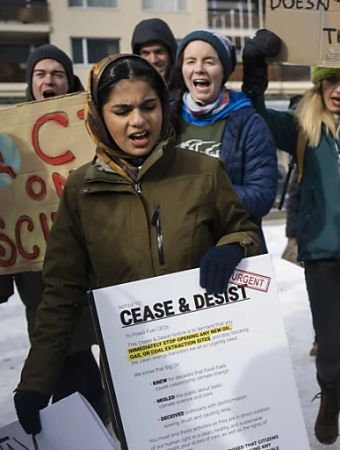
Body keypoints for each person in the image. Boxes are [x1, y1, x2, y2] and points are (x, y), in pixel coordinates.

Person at [13, 54, 261, 436]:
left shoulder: (203, 173)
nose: (138, 121)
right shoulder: (81, 190)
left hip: (212, 361)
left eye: (149, 106)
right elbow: (61, 293)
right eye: (122, 109)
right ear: (98, 115)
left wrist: (234, 247)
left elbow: (245, 232)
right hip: (137, 375)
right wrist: (35, 382)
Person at [240, 29, 340, 450]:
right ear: (318, 83)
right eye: (330, 80)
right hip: (321, 254)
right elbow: (252, 113)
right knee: (332, 345)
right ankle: (330, 399)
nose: (337, 88)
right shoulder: (300, 126)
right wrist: (254, 69)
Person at [0, 43, 106, 423]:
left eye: (57, 73)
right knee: (65, 364)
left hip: (98, 271)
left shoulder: (95, 126)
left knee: (117, 364)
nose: (49, 80)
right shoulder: (8, 141)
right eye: (40, 73)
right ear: (31, 83)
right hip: (41, 282)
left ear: (68, 81)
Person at [172, 29, 277, 250]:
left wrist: (201, 194)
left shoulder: (249, 123)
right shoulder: (165, 120)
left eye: (209, 61)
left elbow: (262, 195)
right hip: (178, 255)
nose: (199, 69)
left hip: (234, 250)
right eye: (191, 61)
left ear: (224, 70)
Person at [131, 18, 177, 91]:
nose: (153, 60)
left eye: (159, 52)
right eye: (146, 53)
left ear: (171, 54)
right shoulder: (130, 94)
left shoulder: (187, 97)